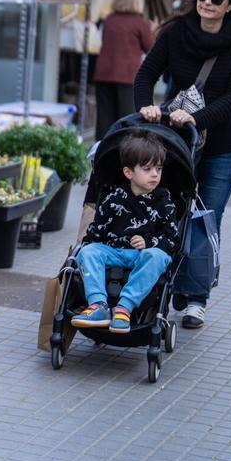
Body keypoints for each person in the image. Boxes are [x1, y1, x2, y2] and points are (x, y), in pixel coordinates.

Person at [133, 0, 231, 330]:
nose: (206, 2)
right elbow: (146, 76)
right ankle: (168, 285)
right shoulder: (176, 32)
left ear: (230, 4)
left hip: (223, 146)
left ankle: (196, 299)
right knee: (169, 214)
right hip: (177, 144)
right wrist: (147, 108)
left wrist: (197, 118)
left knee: (205, 220)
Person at [72, 132, 177, 334]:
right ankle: (98, 305)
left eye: (159, 168)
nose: (155, 174)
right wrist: (87, 247)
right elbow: (97, 231)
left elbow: (172, 240)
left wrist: (149, 242)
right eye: (147, 169)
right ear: (129, 173)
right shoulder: (114, 198)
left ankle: (124, 308)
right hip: (115, 251)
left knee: (157, 256)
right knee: (89, 251)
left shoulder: (164, 203)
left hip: (143, 255)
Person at [93, 0, 154, 140]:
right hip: (127, 76)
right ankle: (124, 152)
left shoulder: (109, 20)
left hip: (104, 74)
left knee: (104, 119)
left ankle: (100, 153)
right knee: (127, 119)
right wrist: (154, 30)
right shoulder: (140, 23)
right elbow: (151, 48)